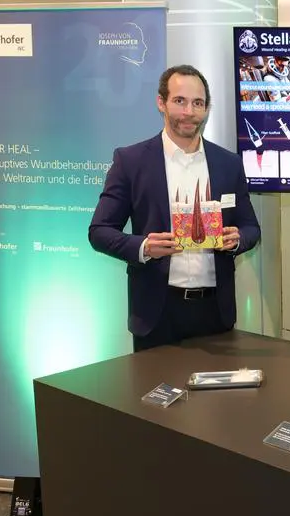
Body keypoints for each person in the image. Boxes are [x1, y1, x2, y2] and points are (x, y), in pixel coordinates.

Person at [89, 64, 260, 352]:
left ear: (206, 108)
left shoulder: (229, 164)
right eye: (180, 101)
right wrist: (144, 247)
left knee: (216, 385)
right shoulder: (131, 161)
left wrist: (237, 239)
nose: (189, 112)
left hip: (215, 314)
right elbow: (99, 231)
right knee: (154, 384)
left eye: (198, 103)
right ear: (161, 102)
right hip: (157, 313)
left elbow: (251, 227)